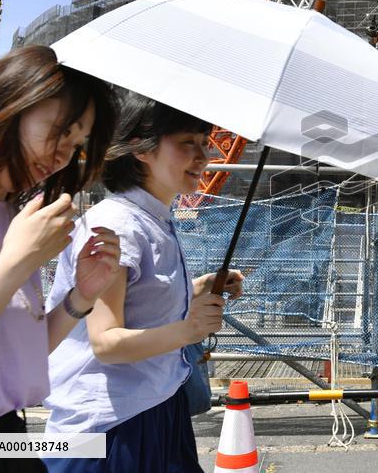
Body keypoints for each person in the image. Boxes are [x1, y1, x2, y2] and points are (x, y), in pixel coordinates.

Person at [43, 94, 243, 473]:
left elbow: (140, 303)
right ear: (141, 149)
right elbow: (106, 342)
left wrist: (196, 288)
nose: (204, 156)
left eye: (205, 143)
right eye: (187, 143)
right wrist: (189, 329)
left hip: (155, 404)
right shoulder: (119, 224)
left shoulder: (153, 218)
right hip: (112, 426)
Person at [0, 45, 120, 473]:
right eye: (61, 131)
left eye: (77, 145)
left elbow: (12, 355)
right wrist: (15, 264)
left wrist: (80, 298)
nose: (64, 155)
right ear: (9, 104)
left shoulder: (11, 213)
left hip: (4, 440)